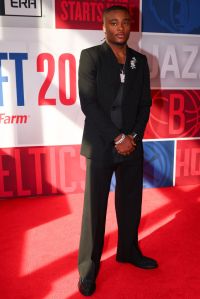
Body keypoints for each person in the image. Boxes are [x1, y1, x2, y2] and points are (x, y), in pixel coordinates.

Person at [77, 5, 158, 296]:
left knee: (130, 203)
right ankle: (88, 268)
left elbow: (145, 104)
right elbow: (89, 105)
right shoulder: (91, 57)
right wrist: (117, 138)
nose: (120, 28)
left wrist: (133, 137)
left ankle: (128, 250)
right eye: (113, 23)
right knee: (94, 210)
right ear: (104, 27)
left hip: (132, 146)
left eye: (125, 22)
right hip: (101, 144)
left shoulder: (140, 60)